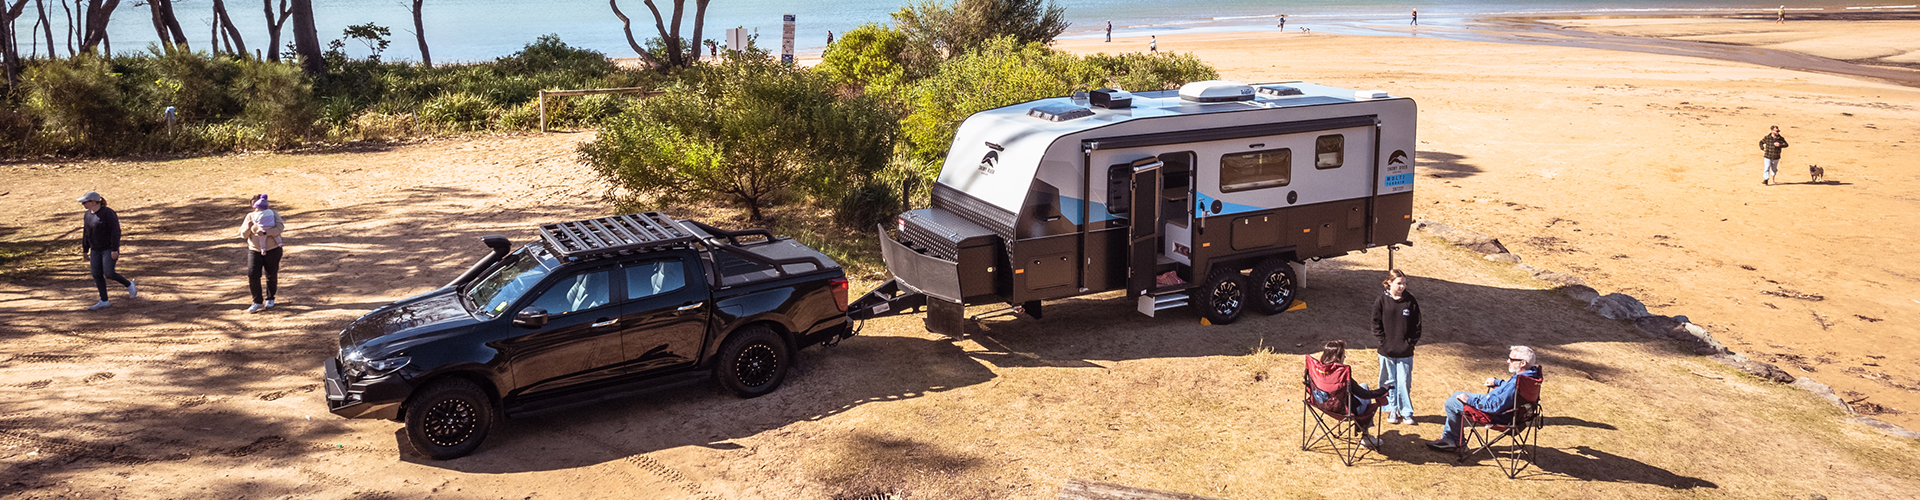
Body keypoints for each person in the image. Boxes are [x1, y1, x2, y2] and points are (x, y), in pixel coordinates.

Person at [1426, 346, 1543, 452]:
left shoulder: (1516, 383)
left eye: (1512, 359)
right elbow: (1510, 390)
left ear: (1523, 363)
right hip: (1510, 412)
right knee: (1458, 394)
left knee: (1451, 403)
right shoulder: (1529, 377)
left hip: (1497, 415)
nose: (1508, 361)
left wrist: (1470, 401)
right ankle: (1449, 437)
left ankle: (1456, 442)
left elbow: (1495, 406)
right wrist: (1497, 382)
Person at [1313, 340, 1392, 448]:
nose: (1345, 357)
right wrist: (1383, 390)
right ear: (1338, 357)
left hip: (1323, 405)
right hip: (1344, 410)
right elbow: (1364, 394)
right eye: (1343, 355)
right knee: (1364, 388)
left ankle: (1364, 433)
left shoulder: (1317, 370)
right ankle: (1365, 437)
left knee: (1363, 385)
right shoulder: (1341, 375)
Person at [1373, 269, 1422, 426]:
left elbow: (1417, 325)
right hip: (1386, 351)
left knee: (1404, 382)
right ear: (1389, 283)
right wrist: (1384, 343)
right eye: (1399, 283)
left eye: (1404, 283)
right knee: (1389, 381)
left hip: (1405, 352)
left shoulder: (1410, 301)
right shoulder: (1381, 300)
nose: (1402, 286)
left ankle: (1406, 412)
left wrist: (1410, 343)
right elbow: (1376, 324)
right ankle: (1391, 409)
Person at [78, 191, 135, 310]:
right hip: (95, 249)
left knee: (109, 273)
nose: (83, 204)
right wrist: (85, 249)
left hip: (108, 249)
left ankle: (129, 285)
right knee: (96, 274)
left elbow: (115, 232)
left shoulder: (108, 213)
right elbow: (86, 233)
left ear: (93, 202)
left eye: (85, 202)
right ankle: (104, 300)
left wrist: (114, 249)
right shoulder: (87, 215)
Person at [238, 194, 285, 313]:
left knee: (271, 274)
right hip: (254, 250)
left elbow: (279, 228)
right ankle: (257, 301)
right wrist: (247, 228)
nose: (255, 207)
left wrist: (265, 233)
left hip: (273, 249)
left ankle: (270, 298)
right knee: (253, 274)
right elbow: (243, 235)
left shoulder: (273, 214)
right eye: (253, 204)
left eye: (256, 204)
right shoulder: (250, 216)